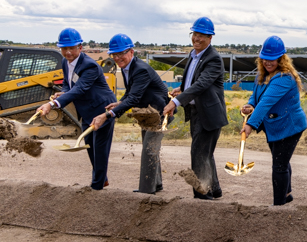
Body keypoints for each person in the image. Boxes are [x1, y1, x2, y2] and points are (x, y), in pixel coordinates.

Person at [37, 28, 116, 190]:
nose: (68, 52)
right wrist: (63, 92)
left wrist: (52, 104)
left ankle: (96, 186)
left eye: (71, 48)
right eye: (64, 48)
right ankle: (103, 179)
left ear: (80, 47)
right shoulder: (65, 63)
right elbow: (68, 84)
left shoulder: (89, 66)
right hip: (86, 110)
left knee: (100, 149)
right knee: (90, 147)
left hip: (103, 109)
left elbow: (79, 89)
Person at [91, 34, 170, 194]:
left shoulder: (141, 69)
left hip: (159, 114)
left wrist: (108, 115)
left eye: (121, 53)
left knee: (149, 150)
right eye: (114, 54)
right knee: (150, 148)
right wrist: (120, 102)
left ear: (131, 52)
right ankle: (156, 184)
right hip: (147, 113)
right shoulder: (128, 67)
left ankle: (147, 190)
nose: (117, 58)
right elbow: (130, 91)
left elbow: (134, 98)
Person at [163, 17, 228, 200]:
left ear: (210, 38)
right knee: (205, 153)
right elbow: (194, 80)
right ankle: (214, 189)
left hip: (209, 114)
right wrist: (182, 88)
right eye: (195, 34)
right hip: (196, 112)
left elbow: (202, 84)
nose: (197, 38)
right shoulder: (193, 54)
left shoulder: (213, 58)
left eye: (202, 36)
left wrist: (176, 102)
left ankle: (202, 194)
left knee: (199, 153)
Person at [241, 36, 307, 206]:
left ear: (281, 58)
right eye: (265, 58)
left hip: (290, 126)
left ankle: (278, 205)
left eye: (272, 59)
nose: (268, 62)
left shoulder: (285, 78)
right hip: (275, 125)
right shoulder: (262, 74)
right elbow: (256, 96)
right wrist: (250, 105)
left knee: (279, 165)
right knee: (281, 160)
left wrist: (250, 124)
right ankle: (287, 194)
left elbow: (266, 102)